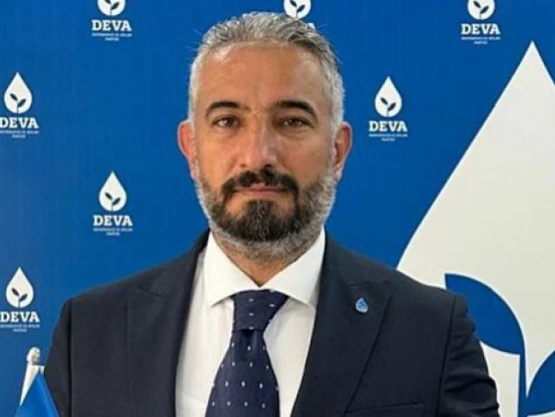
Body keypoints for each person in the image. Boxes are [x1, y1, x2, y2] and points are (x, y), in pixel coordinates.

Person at [44, 11, 499, 417]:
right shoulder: (90, 333)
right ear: (192, 149)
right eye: (227, 121)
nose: (258, 155)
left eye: (291, 122)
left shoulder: (430, 333)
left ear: (337, 150)